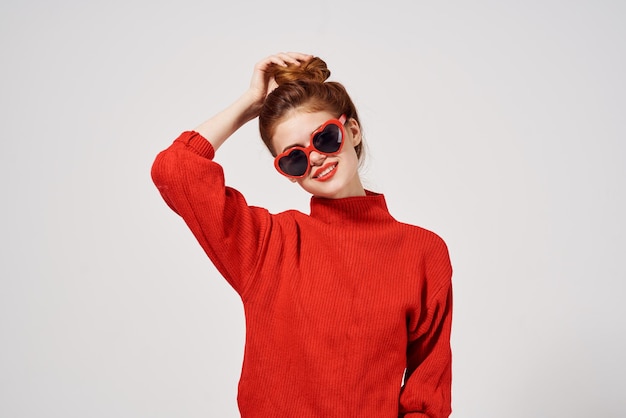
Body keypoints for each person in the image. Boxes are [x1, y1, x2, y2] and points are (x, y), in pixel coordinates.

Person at [151, 52, 453, 418]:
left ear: (352, 131)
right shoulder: (267, 244)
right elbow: (176, 171)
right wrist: (249, 104)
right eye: (294, 157)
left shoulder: (422, 252)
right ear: (288, 173)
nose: (315, 158)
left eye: (325, 138)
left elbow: (426, 392)